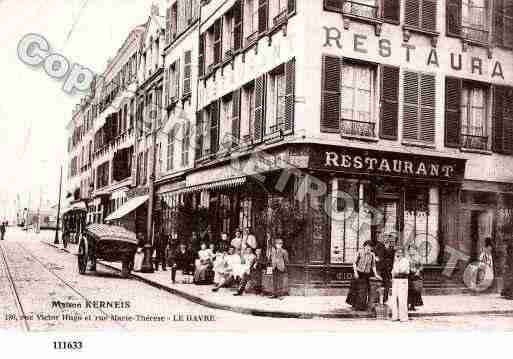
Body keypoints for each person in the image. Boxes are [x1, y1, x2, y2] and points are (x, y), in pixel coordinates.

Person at [346, 241, 381, 310]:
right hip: (358, 273)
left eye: (370, 247)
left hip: (366, 275)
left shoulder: (372, 255)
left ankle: (361, 306)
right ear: (364, 247)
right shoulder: (359, 253)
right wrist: (355, 272)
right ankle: (355, 305)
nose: (369, 248)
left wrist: (376, 274)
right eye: (367, 246)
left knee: (363, 291)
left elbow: (373, 265)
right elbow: (354, 263)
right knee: (355, 290)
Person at [390, 248, 410, 322]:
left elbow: (402, 270)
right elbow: (393, 271)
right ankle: (395, 316)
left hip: (403, 280)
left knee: (402, 299)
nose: (398, 254)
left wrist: (396, 270)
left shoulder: (405, 261)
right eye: (397, 253)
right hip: (395, 281)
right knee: (394, 299)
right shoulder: (395, 262)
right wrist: (392, 277)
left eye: (400, 253)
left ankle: (403, 317)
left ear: (403, 254)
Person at [380, 236, 396, 303]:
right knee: (381, 284)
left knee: (387, 285)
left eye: (390, 242)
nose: (389, 243)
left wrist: (392, 268)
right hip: (382, 269)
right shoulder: (382, 248)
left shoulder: (393, 250)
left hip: (389, 269)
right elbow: (380, 258)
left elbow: (393, 260)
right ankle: (379, 299)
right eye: (387, 241)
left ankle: (385, 299)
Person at [407, 244, 423, 311]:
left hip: (416, 276)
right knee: (408, 291)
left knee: (415, 291)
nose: (412, 251)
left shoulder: (418, 257)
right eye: (410, 249)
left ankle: (413, 305)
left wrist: (418, 271)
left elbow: (421, 266)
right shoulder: (406, 257)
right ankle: (407, 305)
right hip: (409, 276)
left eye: (413, 249)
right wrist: (410, 269)